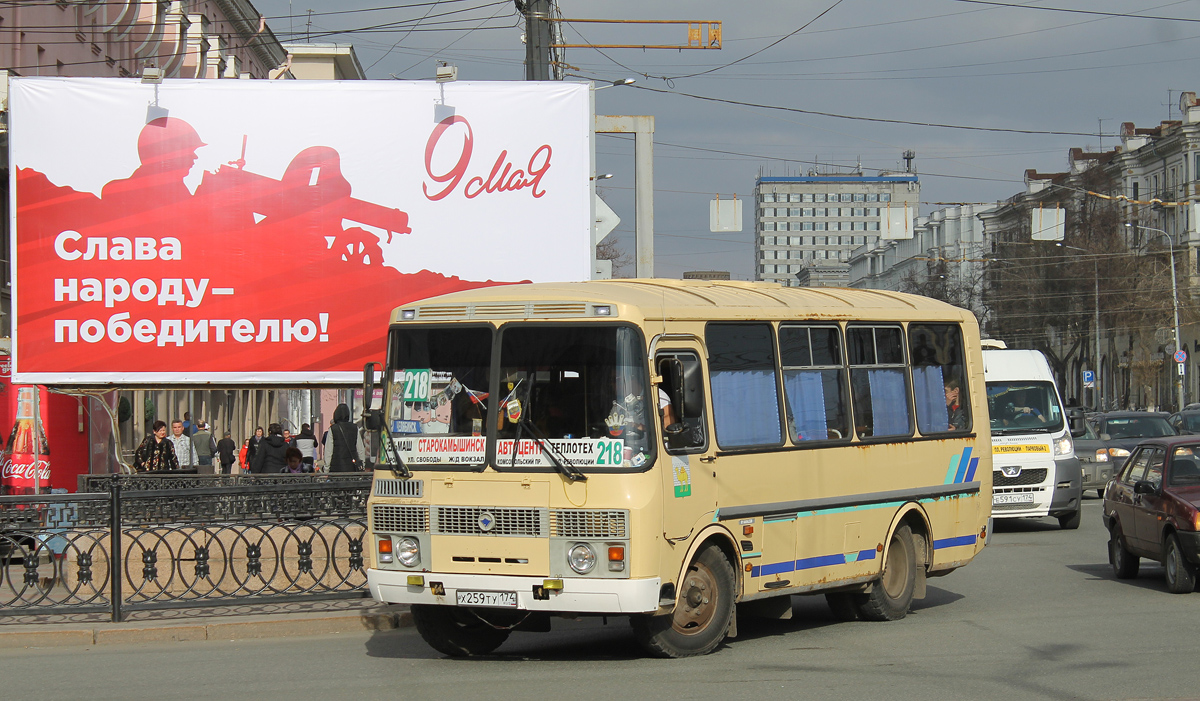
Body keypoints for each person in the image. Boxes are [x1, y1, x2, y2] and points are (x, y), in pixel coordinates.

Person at [323, 403, 367, 472]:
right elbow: (360, 449)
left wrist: (326, 468)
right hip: (352, 468)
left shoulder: (333, 429)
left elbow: (328, 451)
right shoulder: (354, 428)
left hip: (336, 467)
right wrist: (362, 465)